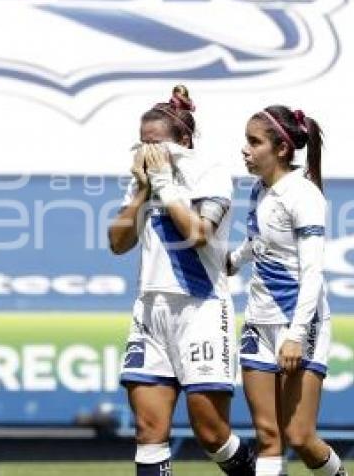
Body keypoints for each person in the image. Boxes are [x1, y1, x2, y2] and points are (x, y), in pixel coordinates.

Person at [109, 85, 255, 476]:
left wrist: (165, 185)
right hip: (151, 308)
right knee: (148, 431)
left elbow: (199, 233)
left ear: (184, 141)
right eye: (142, 144)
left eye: (155, 143)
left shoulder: (212, 172)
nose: (148, 152)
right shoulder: (143, 177)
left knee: (211, 434)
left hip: (200, 308)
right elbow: (118, 242)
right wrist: (142, 189)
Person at [227, 106, 347, 476]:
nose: (244, 150)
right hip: (258, 323)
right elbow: (259, 243)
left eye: (254, 141)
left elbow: (313, 272)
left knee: (300, 437)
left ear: (281, 148)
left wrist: (296, 336)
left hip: (298, 325)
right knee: (267, 436)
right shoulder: (259, 189)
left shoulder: (304, 195)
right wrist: (230, 261)